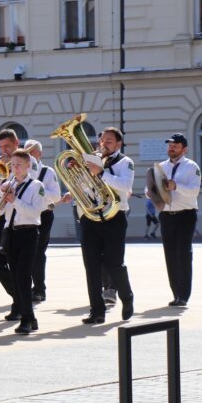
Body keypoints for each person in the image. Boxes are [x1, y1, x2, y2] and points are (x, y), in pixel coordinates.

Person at [77, 126, 136, 324]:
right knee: (91, 265)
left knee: (114, 263)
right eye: (102, 140)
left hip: (115, 217)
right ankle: (97, 311)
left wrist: (101, 173)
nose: (104, 144)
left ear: (118, 144)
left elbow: (125, 186)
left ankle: (127, 297)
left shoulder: (126, 162)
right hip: (91, 216)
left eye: (109, 141)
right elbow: (84, 187)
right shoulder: (93, 160)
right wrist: (80, 172)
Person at [0, 149, 47, 334]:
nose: (15, 168)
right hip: (11, 233)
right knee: (15, 277)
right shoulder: (9, 184)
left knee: (23, 277)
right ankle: (30, 318)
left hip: (28, 232)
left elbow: (35, 212)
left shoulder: (36, 186)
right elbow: (2, 212)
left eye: (19, 165)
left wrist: (14, 200)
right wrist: (2, 199)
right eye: (12, 164)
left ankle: (26, 318)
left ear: (28, 166)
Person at [153, 133, 201, 307]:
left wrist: (176, 187)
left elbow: (194, 191)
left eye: (175, 146)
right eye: (170, 145)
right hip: (166, 215)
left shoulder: (191, 167)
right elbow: (150, 187)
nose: (171, 148)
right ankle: (176, 294)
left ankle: (184, 295)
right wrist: (151, 192)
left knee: (183, 253)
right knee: (170, 255)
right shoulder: (161, 167)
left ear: (184, 149)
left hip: (185, 214)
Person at [0, 129, 22, 309]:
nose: (3, 151)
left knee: (16, 264)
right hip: (2, 218)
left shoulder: (27, 163)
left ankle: (20, 303)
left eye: (7, 146)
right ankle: (20, 297)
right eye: (1, 147)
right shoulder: (0, 165)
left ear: (16, 143)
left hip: (20, 219)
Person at [25, 140, 61, 304]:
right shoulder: (21, 171)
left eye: (32, 152)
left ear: (39, 154)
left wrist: (37, 189)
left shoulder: (47, 172)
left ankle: (39, 289)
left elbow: (56, 196)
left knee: (38, 252)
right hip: (25, 215)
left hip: (43, 214)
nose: (29, 156)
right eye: (26, 152)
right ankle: (26, 288)